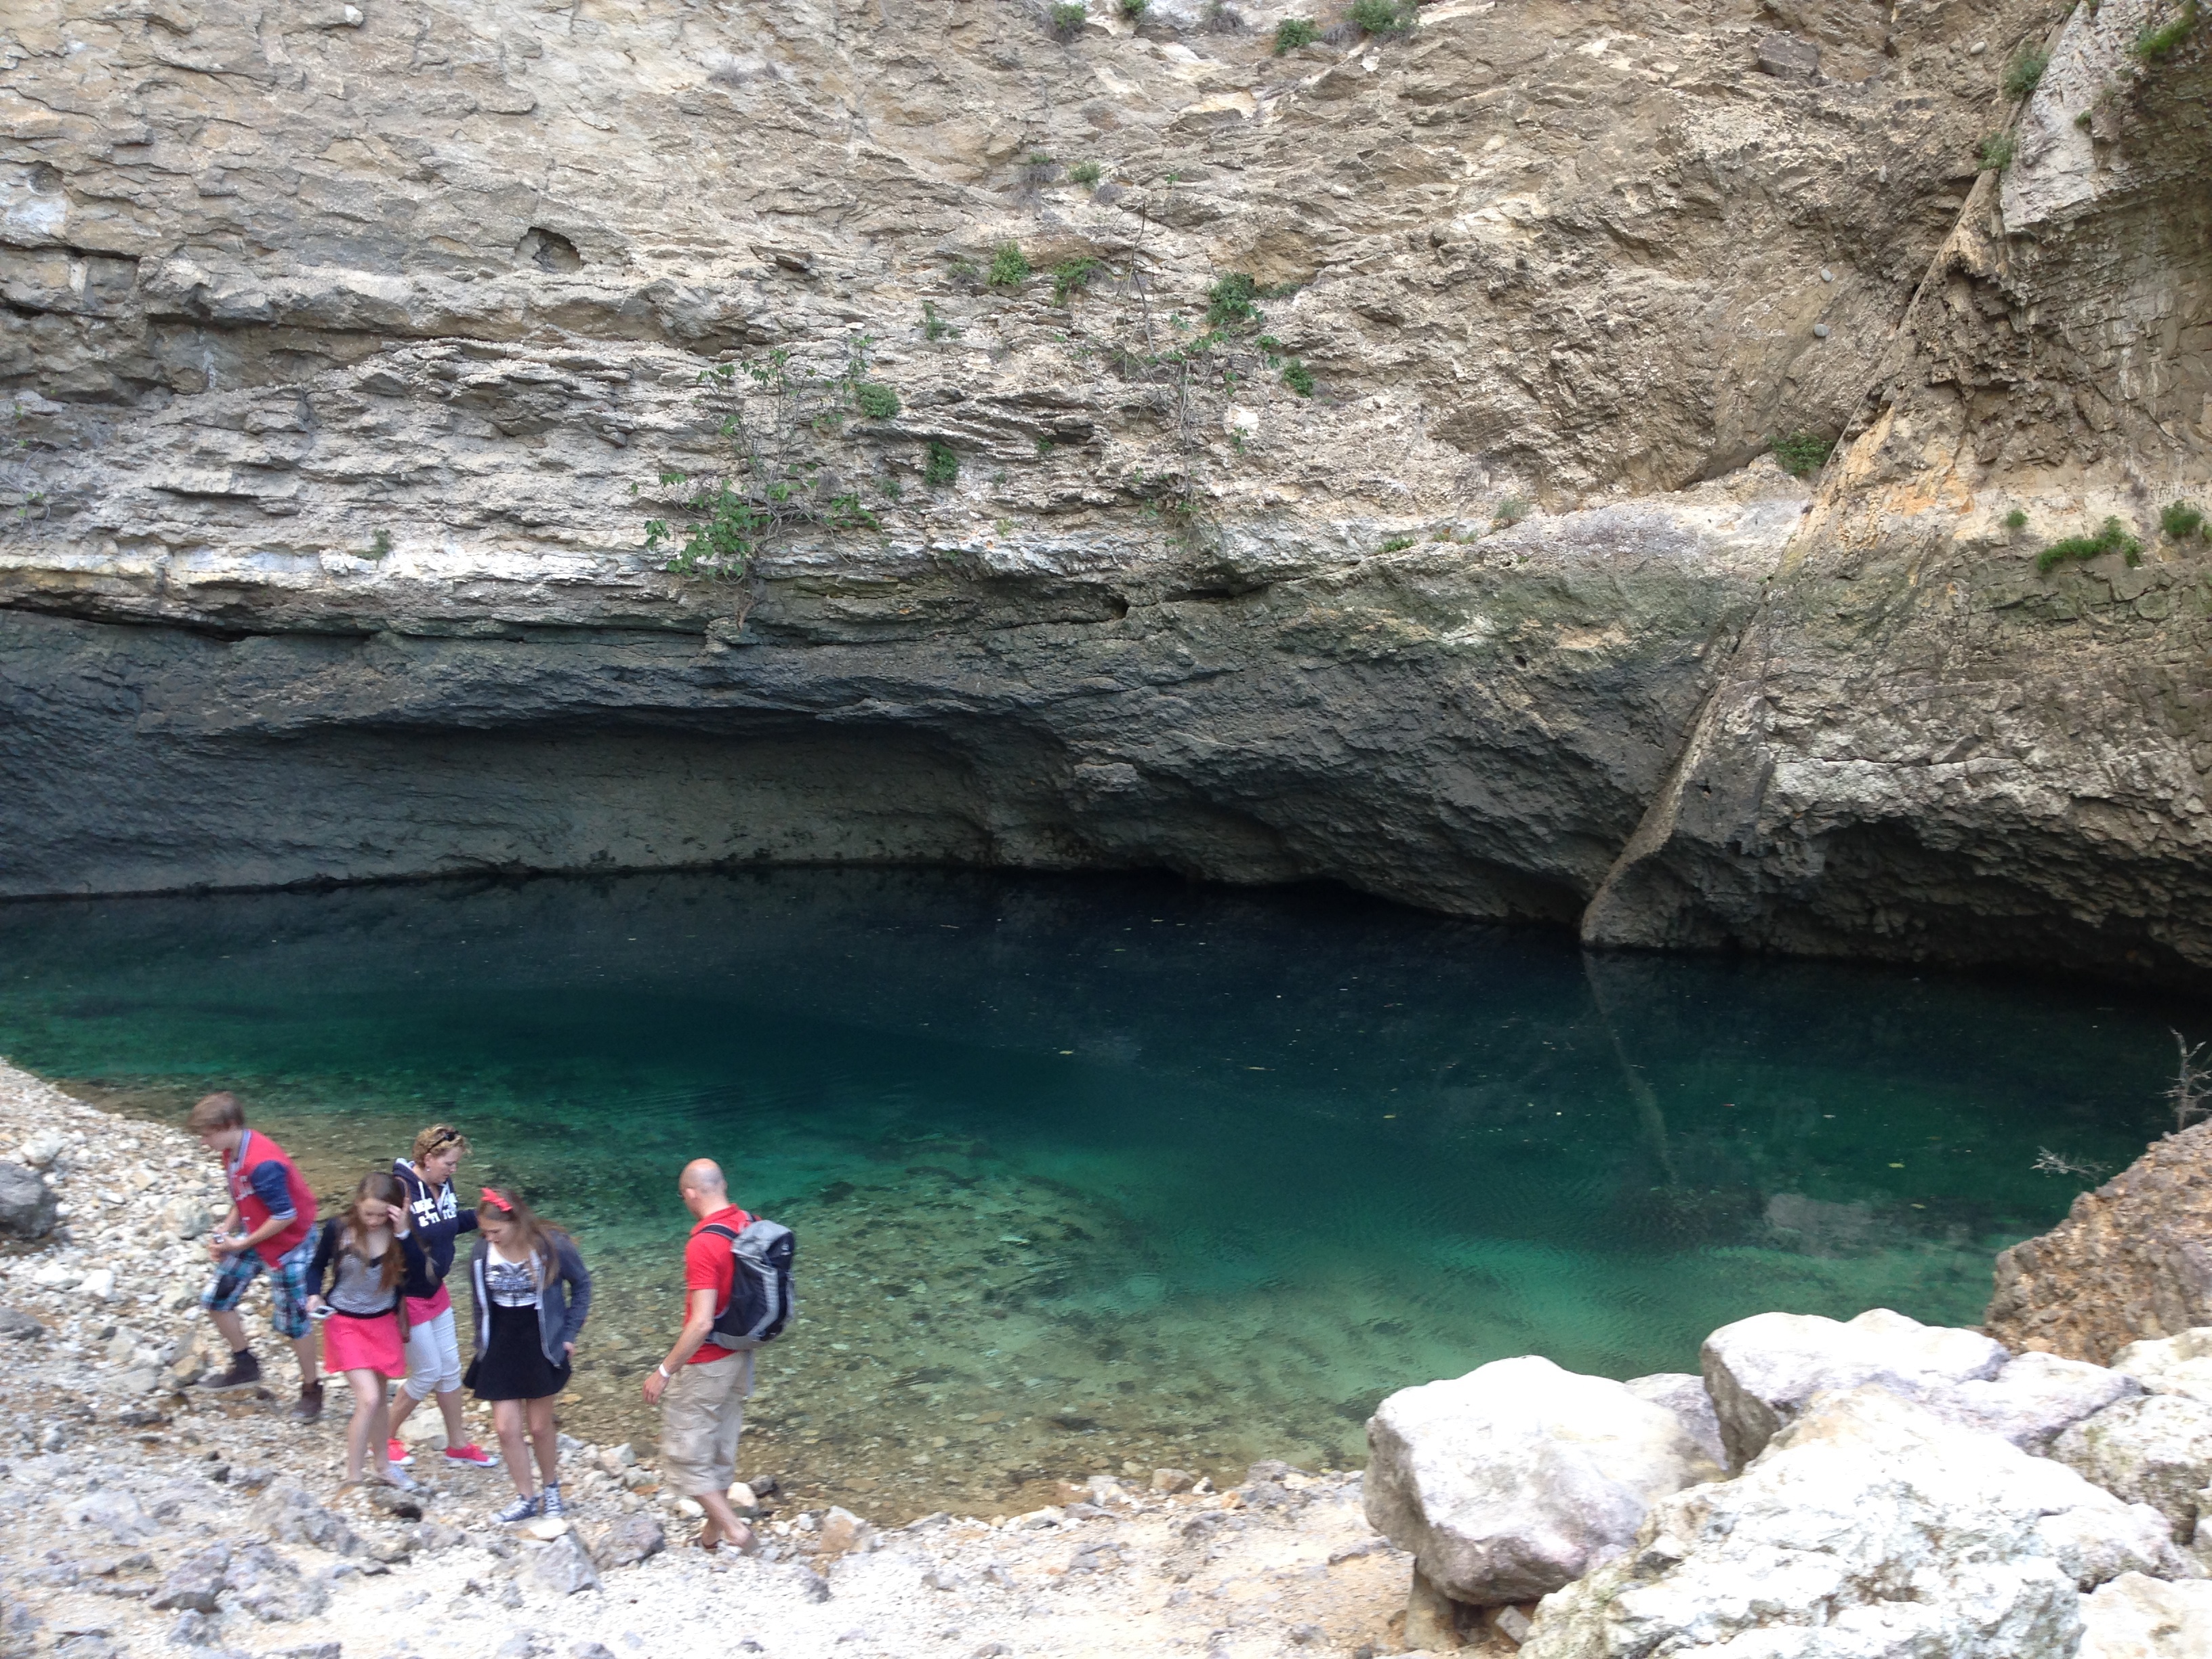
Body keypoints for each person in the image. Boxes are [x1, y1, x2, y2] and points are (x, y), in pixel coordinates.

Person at [640, 1158, 757, 1553]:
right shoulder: (749, 1223)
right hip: (741, 1355)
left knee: (685, 1457)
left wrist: (664, 1371)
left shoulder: (704, 1242)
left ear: (691, 1194)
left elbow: (702, 1322)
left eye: (682, 1196)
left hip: (706, 1363)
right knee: (720, 1449)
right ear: (722, 1184)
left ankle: (737, 1532)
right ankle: (710, 1538)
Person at [188, 1092, 324, 1421]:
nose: (204, 1143)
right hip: (256, 1233)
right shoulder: (231, 1151)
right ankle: (245, 1365)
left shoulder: (263, 1164)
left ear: (230, 1126)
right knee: (217, 1300)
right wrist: (226, 1230)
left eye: (208, 1135)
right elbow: (243, 1197)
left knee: (295, 1322)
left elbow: (286, 1216)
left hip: (290, 1243)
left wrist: (240, 1243)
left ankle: (312, 1389)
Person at [464, 1186, 592, 1523]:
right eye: (485, 1232)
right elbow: (479, 1302)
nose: (490, 1238)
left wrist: (569, 1334)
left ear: (515, 1222)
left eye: (496, 1231)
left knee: (539, 1427)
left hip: (540, 1340)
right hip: (501, 1341)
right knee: (506, 1429)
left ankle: (551, 1489)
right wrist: (481, 1343)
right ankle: (525, 1497)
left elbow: (582, 1284)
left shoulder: (550, 1246)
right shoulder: (482, 1252)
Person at [306, 1171, 429, 1490]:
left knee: (380, 1399)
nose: (373, 1221)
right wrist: (313, 1294)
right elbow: (316, 1266)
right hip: (344, 1322)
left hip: (383, 1322)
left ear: (393, 1210)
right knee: (370, 1398)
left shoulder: (400, 1234)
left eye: (380, 1215)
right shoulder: (339, 1229)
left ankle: (384, 1466)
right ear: (357, 1205)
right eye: (367, 1214)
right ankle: (354, 1477)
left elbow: (420, 1276)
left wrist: (403, 1232)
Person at [386, 1125, 494, 1470]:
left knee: (449, 1370)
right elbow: (388, 1241)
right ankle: (383, 1438)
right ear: (428, 1158)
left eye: (456, 1163)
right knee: (428, 1371)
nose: (453, 1170)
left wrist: (483, 1216)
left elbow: (447, 1225)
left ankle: (458, 1445)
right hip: (408, 1296)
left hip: (437, 1290)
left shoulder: (444, 1185)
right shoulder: (400, 1191)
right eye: (449, 1163)